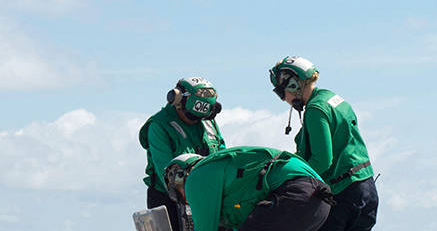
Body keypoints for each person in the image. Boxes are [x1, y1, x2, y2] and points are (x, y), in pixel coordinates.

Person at [269, 56, 378, 231]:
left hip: (344, 195)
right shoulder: (332, 99)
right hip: (367, 188)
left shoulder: (315, 110)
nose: (283, 99)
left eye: (281, 92)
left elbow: (322, 160)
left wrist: (288, 182)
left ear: (293, 84)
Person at [163, 146, 333, 231]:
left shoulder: (196, 176)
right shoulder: (227, 174)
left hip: (296, 193)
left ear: (179, 176)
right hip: (319, 201)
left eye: (178, 194)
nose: (186, 201)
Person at [140, 77, 226, 230]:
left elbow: (223, 158)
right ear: (177, 100)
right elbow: (166, 174)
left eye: (201, 117)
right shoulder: (158, 126)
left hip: (208, 194)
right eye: (192, 116)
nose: (196, 122)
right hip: (169, 199)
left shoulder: (207, 122)